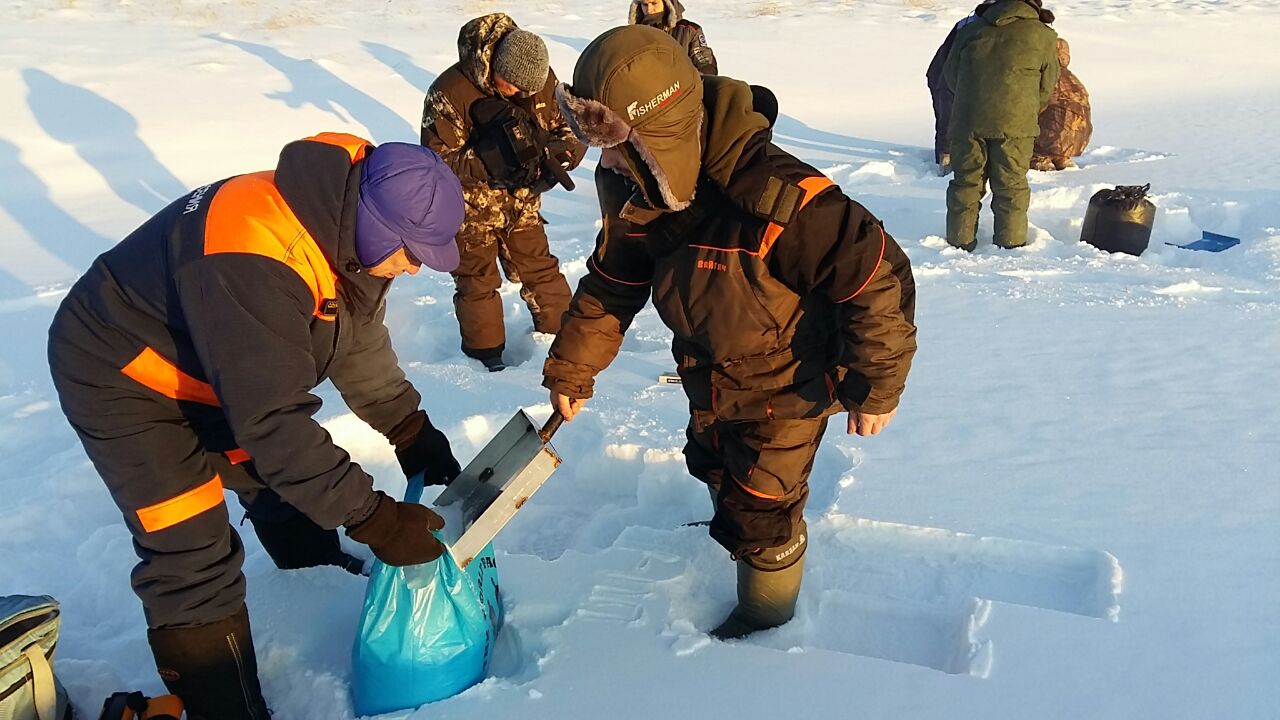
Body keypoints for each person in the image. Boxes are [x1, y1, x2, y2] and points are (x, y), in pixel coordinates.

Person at [48, 133, 467, 720]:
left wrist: (410, 429)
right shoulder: (253, 259)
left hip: (215, 362)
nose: (416, 268)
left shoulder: (347, 233)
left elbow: (355, 343)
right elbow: (273, 424)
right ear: (373, 225)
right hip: (122, 370)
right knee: (192, 549)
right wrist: (376, 519)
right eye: (412, 253)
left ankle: (314, 579)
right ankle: (226, 706)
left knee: (281, 481)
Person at [545, 26, 917, 639]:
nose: (602, 162)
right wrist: (573, 366)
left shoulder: (783, 200)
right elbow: (614, 281)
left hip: (791, 382)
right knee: (713, 463)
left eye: (613, 147)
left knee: (764, 506)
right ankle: (739, 532)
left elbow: (877, 280)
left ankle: (766, 618)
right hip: (710, 371)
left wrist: (877, 385)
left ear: (657, 136)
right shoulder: (636, 189)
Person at [422, 13, 586, 372]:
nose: (521, 94)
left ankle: (564, 342)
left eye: (529, 89)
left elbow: (572, 126)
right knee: (476, 282)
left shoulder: (538, 79)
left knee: (540, 269)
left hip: (523, 201)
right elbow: (434, 163)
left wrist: (560, 155)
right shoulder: (449, 91)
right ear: (495, 66)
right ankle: (485, 362)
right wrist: (489, 160)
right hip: (468, 210)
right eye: (512, 86)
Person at [943, 0, 1060, 251]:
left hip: (967, 122)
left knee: (966, 183)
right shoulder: (1043, 35)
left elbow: (951, 76)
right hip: (1016, 126)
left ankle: (959, 242)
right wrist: (1021, 108)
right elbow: (1047, 85)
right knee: (1012, 186)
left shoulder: (969, 31)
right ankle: (1011, 244)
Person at [925, 1, 995, 176]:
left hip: (953, 76)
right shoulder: (969, 26)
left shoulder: (968, 24)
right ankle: (946, 161)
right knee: (949, 116)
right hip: (948, 77)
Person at [1031, 37, 1092, 171]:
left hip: (1052, 137)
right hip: (1078, 140)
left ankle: (1040, 157)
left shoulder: (1045, 76)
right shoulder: (1072, 78)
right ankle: (1061, 157)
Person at [628, 0, 718, 75]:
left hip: (683, 90)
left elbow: (704, 62)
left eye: (654, 3)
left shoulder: (689, 30)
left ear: (667, 3)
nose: (649, 10)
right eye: (645, 5)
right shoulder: (634, 34)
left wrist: (692, 80)